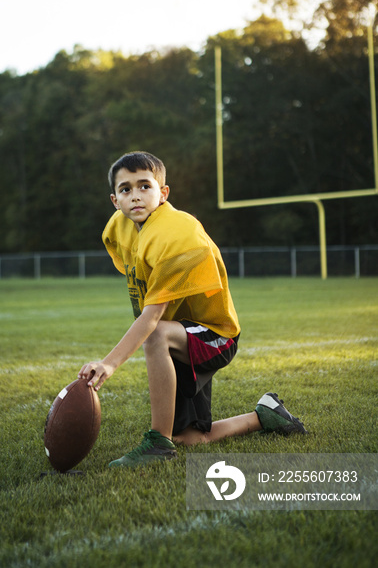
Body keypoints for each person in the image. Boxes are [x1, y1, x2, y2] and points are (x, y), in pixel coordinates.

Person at [78, 151, 306, 468]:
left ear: (163, 193)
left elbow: (153, 317)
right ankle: (264, 416)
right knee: (187, 436)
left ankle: (158, 445)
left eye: (145, 186)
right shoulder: (121, 226)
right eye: (126, 190)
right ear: (115, 200)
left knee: (155, 333)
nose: (136, 196)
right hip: (181, 337)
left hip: (214, 336)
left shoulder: (177, 234)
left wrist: (109, 364)